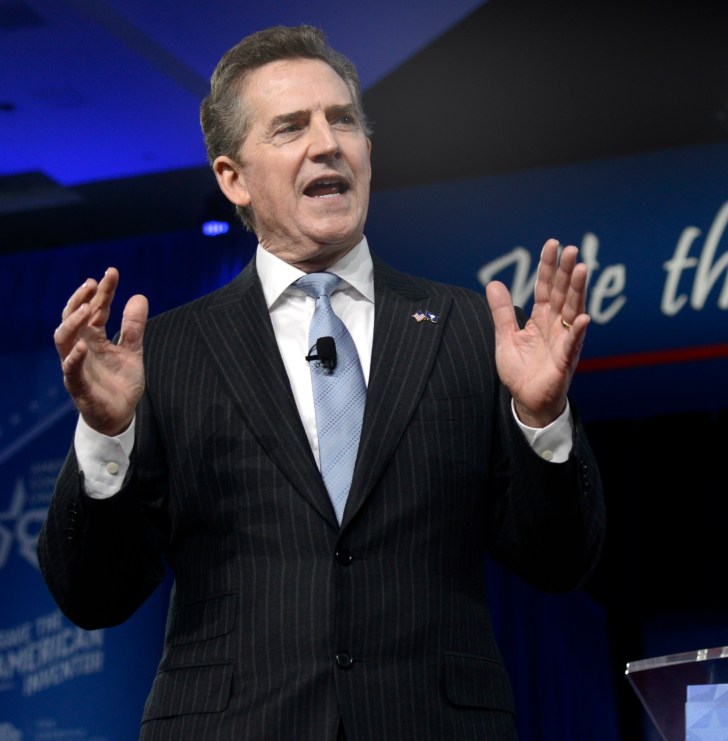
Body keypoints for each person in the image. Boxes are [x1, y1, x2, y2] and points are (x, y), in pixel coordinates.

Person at [38, 25, 604, 740]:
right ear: (233, 177)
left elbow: (559, 563)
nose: (327, 142)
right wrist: (108, 433)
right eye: (291, 127)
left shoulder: (468, 330)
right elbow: (94, 594)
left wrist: (540, 419)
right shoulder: (168, 352)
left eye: (343, 120)